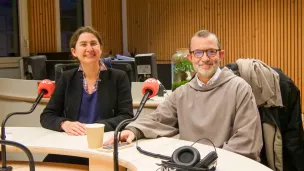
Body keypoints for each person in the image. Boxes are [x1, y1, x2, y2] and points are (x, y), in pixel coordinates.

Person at [104, 30, 263, 161]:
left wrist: (210, 162)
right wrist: (133, 130)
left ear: (220, 55)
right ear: (190, 58)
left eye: (211, 52)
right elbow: (158, 119)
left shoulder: (239, 89)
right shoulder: (182, 93)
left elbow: (247, 140)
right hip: (190, 163)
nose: (205, 58)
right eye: (198, 53)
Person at [40, 26, 133, 165]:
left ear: (100, 48)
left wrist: (95, 127)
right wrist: (64, 123)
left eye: (93, 43)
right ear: (74, 51)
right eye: (83, 44)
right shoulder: (66, 78)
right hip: (71, 147)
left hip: (103, 146)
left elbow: (127, 117)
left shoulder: (118, 77)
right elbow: (47, 115)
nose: (89, 48)